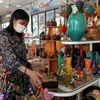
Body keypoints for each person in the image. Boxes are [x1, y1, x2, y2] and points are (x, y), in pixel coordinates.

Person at [0, 9, 42, 97]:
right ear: (14, 20)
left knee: (27, 97)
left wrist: (32, 73)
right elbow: (12, 61)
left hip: (24, 75)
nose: (23, 26)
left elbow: (23, 57)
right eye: (22, 23)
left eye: (26, 25)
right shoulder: (3, 36)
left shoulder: (20, 36)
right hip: (12, 77)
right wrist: (30, 73)